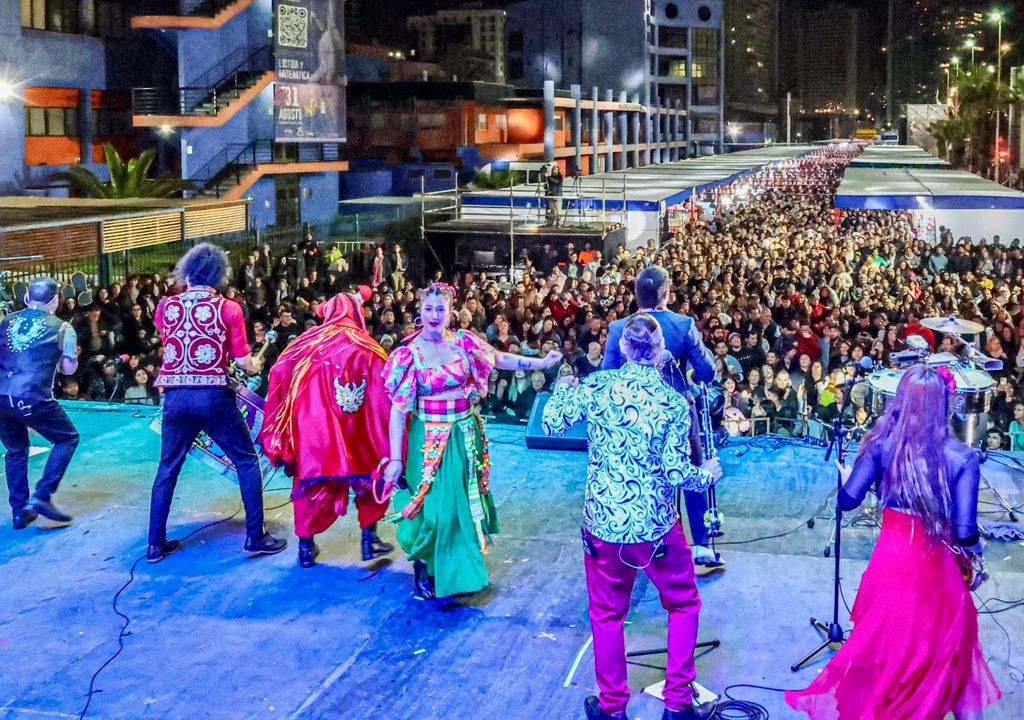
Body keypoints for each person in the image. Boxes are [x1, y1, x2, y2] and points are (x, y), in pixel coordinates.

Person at [786, 365, 1001, 720]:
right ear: (945, 406)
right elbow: (965, 533)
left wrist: (846, 479)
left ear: (899, 401)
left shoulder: (882, 446)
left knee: (890, 649)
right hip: (937, 572)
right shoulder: (963, 459)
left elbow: (847, 501)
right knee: (954, 655)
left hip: (891, 565)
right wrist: (979, 553)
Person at [542, 314, 722, 720]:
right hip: (655, 529)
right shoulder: (673, 404)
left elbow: (552, 423)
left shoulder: (596, 387)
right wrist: (706, 474)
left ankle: (612, 708)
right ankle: (677, 704)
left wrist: (561, 387)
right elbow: (678, 473)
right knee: (683, 605)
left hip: (603, 526)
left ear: (622, 348)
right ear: (660, 354)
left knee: (607, 616)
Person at [381, 281, 561, 599]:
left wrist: (541, 364)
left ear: (451, 312)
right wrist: (395, 458)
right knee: (435, 511)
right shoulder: (408, 355)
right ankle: (424, 563)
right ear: (419, 313)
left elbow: (500, 359)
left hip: (465, 436)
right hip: (430, 440)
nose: (435, 315)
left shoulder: (464, 342)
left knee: (461, 507)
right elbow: (398, 411)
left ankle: (457, 573)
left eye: (441, 309)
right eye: (428, 309)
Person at [147, 244, 287, 563]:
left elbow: (175, 343)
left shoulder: (166, 306)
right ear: (219, 274)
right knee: (246, 461)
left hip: (175, 397)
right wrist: (254, 365)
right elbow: (243, 361)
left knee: (167, 467)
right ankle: (255, 536)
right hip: (214, 396)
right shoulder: (229, 308)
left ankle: (155, 544)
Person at [261, 288, 395, 568]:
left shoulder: (305, 344)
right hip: (358, 433)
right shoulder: (368, 346)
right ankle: (370, 538)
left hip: (315, 433)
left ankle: (306, 548)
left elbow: (278, 371)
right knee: (371, 474)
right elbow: (387, 392)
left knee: (309, 483)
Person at [603, 265, 722, 572]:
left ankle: (639, 541)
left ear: (635, 295)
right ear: (667, 294)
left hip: (633, 418)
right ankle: (699, 547)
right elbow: (708, 371)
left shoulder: (619, 329)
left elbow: (607, 377)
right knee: (691, 471)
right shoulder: (683, 325)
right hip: (678, 412)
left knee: (641, 475)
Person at [0, 277, 80, 529]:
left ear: (26, 298)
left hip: (1, 396)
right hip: (33, 397)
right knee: (67, 438)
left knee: (15, 450)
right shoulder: (63, 328)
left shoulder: (5, 321)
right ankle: (42, 496)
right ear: (55, 301)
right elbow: (68, 370)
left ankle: (20, 511)